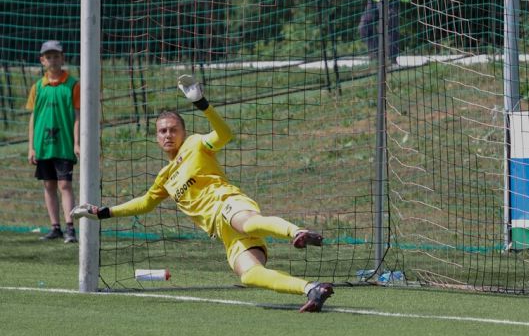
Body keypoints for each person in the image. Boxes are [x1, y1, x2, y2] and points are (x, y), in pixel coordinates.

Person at [72, 75, 334, 313]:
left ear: (183, 132)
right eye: (162, 131)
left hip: (229, 203)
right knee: (250, 275)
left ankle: (296, 232)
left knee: (248, 222)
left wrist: (201, 103)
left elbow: (225, 134)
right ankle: (311, 289)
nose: (168, 135)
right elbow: (143, 204)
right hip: (223, 232)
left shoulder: (196, 144)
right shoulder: (164, 178)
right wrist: (102, 213)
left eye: (173, 129)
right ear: (156, 138)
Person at [27, 40, 80, 243]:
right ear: (42, 61)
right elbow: (34, 118)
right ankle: (55, 227)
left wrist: (77, 142)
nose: (53, 60)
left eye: (56, 56)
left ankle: (70, 228)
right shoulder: (38, 87)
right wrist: (31, 147)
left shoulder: (73, 85)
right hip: (43, 145)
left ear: (63, 58)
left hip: (64, 143)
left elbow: (77, 116)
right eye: (48, 57)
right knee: (49, 185)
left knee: (64, 184)